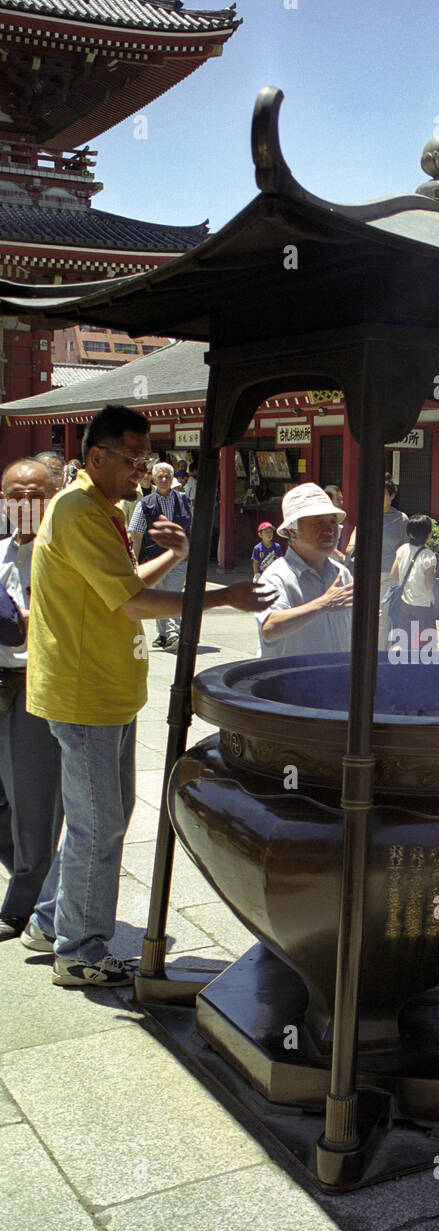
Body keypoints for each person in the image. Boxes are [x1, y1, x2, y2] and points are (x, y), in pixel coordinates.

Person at [20, 404, 269, 988]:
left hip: (106, 685)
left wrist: (177, 558)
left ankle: (51, 919)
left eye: (144, 457)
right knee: (99, 821)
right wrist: (222, 597)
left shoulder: (103, 508)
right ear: (96, 456)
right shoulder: (79, 509)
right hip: (84, 690)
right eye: (131, 458)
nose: (142, 468)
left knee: (105, 815)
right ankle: (80, 949)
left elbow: (124, 585)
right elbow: (133, 604)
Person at [0, 458, 63, 940]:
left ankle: (24, 904)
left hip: (34, 689)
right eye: (14, 495)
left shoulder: (63, 554)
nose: (24, 503)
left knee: (34, 803)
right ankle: (33, 879)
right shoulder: (0, 552)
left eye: (35, 494)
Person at [258, 482, 354, 658]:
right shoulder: (276, 577)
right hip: (292, 683)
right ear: (292, 531)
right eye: (318, 523)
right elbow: (270, 627)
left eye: (333, 522)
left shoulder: (342, 574)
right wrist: (322, 605)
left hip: (337, 681)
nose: (329, 530)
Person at [128, 460, 193, 653]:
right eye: (160, 476)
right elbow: (136, 533)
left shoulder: (183, 500)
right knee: (159, 594)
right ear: (154, 480)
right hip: (155, 557)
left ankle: (174, 633)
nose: (164, 480)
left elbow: (192, 527)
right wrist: (136, 562)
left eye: (167, 476)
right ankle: (163, 634)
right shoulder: (145, 504)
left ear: (172, 479)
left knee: (173, 593)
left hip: (180, 558)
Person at [344, 474, 407, 646]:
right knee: (364, 614)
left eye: (384, 493)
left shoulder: (401, 519)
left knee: (382, 616)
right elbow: (356, 532)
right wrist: (351, 546)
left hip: (389, 574)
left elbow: (405, 548)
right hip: (367, 573)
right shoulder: (368, 514)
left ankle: (378, 656)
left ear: (392, 496)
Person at [388, 514, 437, 651]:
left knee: (405, 641)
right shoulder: (428, 555)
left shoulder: (402, 549)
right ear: (428, 534)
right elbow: (429, 583)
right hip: (423, 604)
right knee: (428, 642)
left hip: (404, 603)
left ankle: (403, 666)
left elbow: (393, 573)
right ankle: (425, 668)